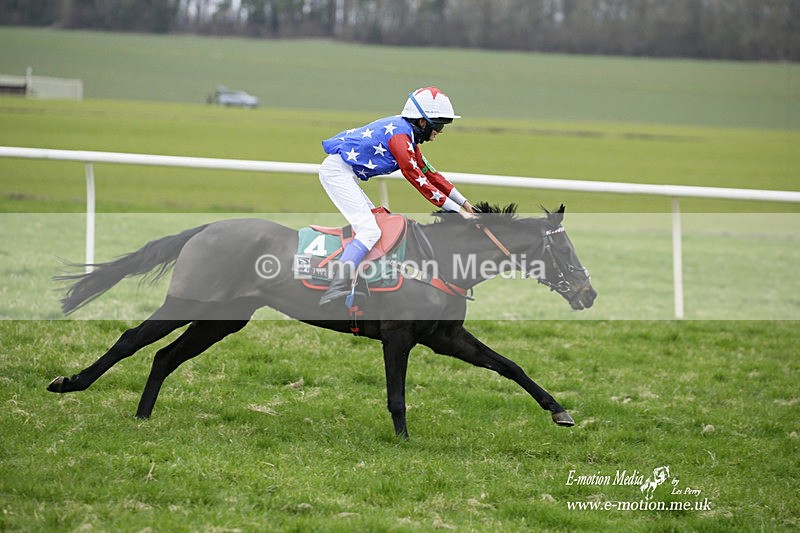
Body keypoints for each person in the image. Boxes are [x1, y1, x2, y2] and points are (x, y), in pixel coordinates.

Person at [318, 86, 476, 306]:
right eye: (438, 125)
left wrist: (465, 204)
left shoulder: (406, 134)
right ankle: (337, 286)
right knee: (370, 230)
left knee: (377, 226)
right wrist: (456, 211)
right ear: (422, 122)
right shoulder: (400, 138)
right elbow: (417, 179)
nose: (440, 131)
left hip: (346, 174)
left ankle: (359, 281)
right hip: (337, 173)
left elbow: (431, 174)